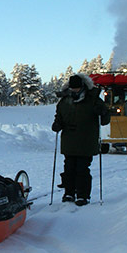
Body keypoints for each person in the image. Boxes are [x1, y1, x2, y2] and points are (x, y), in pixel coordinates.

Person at [51, 74, 110, 206]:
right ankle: (69, 193)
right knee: (69, 168)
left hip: (86, 141)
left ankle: (83, 195)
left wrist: (103, 112)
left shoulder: (93, 99)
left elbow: (105, 120)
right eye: (73, 89)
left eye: (77, 89)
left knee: (82, 169)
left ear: (83, 86)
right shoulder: (64, 101)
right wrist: (57, 124)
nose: (75, 91)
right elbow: (59, 116)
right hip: (69, 141)